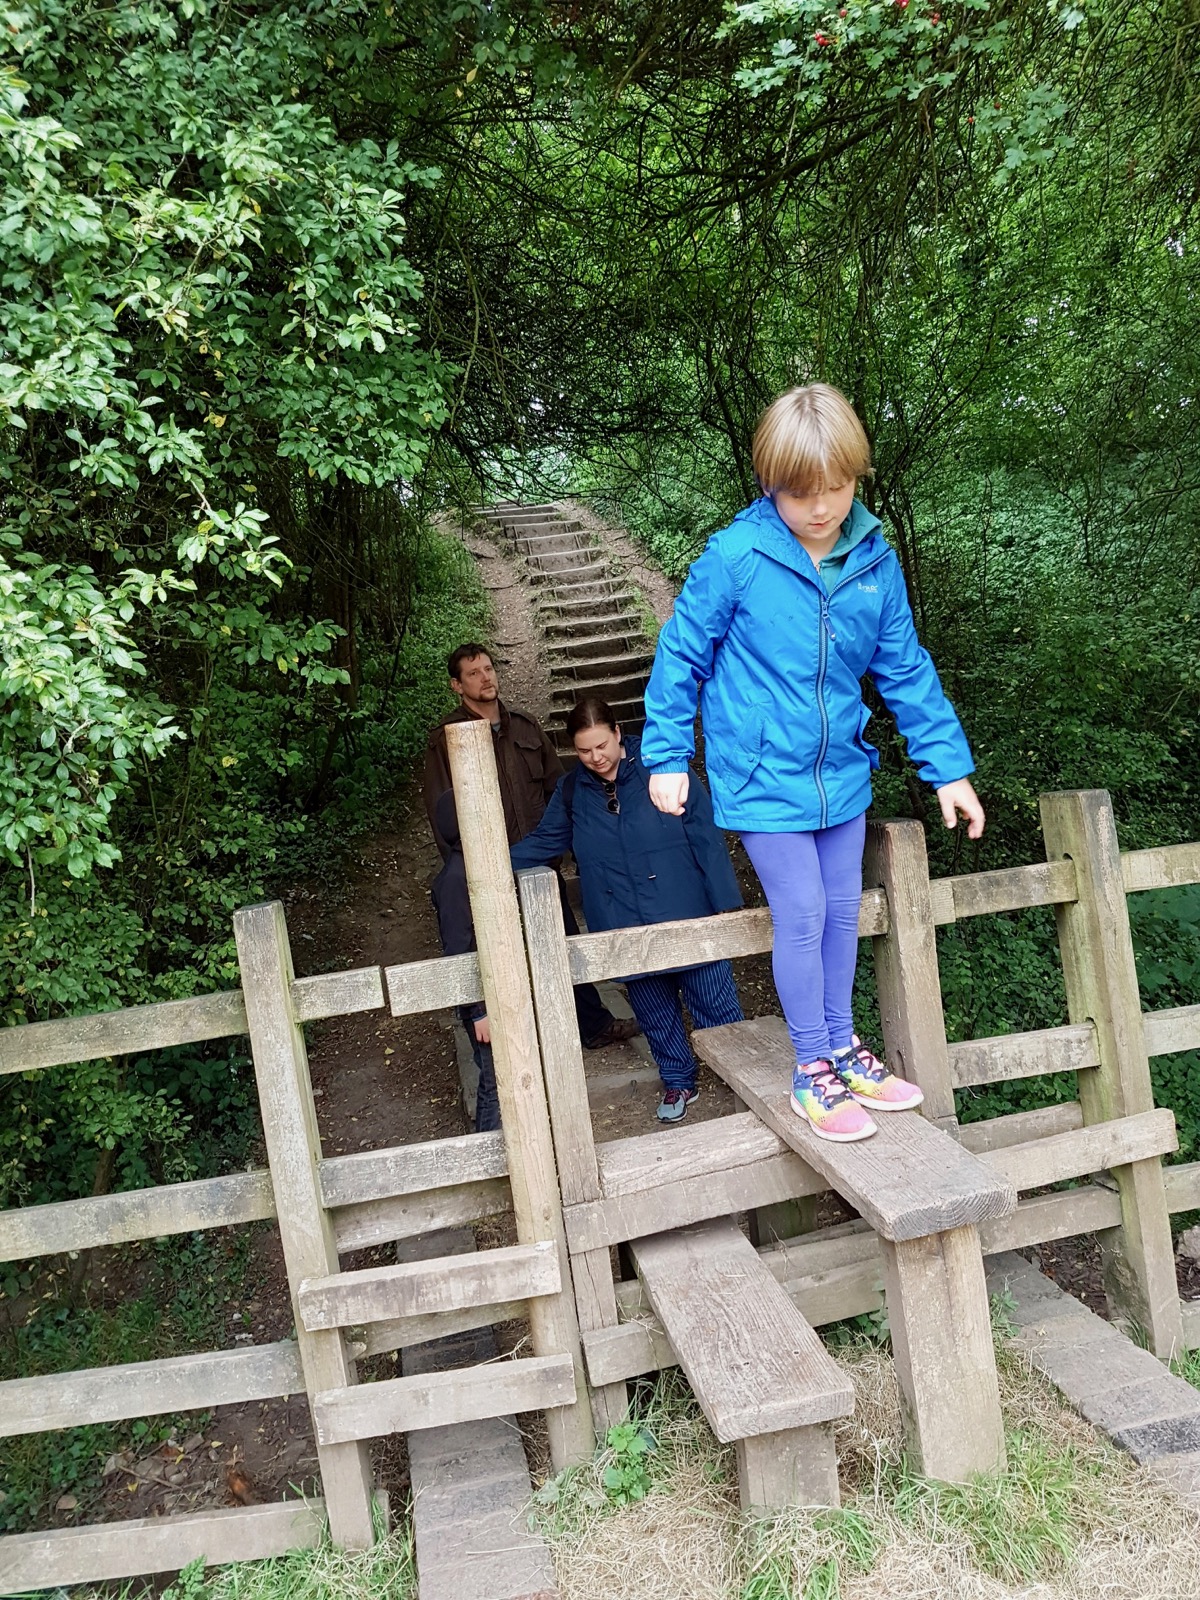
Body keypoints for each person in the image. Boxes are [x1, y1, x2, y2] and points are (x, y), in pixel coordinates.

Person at [640, 383, 985, 1143]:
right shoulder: (736, 556)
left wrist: (948, 769)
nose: (820, 507)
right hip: (761, 774)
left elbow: (905, 668)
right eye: (800, 493)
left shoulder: (874, 560)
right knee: (800, 913)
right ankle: (811, 1068)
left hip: (840, 775)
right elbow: (681, 655)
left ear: (856, 475)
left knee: (840, 913)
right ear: (770, 482)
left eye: (835, 487)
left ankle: (841, 1046)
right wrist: (665, 753)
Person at [511, 695, 744, 1123]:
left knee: (713, 999)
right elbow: (546, 842)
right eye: (584, 750)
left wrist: (725, 903)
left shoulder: (662, 768)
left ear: (618, 733)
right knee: (654, 1009)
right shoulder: (572, 791)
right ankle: (678, 1079)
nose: (595, 757)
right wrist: (490, 864)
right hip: (620, 916)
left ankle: (741, 1075)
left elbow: (705, 834)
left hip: (685, 905)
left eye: (602, 745)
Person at [423, 643, 638, 1052]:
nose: (485, 678)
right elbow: (441, 812)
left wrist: (563, 848)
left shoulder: (524, 726)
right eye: (473, 673)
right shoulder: (446, 739)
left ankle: (593, 1025)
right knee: (497, 951)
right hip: (487, 866)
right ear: (457, 685)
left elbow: (560, 788)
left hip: (539, 858)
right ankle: (511, 1041)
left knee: (561, 942)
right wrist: (466, 870)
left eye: (488, 668)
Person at [430, 790, 501, 1132]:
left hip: (491, 993)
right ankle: (487, 1147)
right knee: (495, 1079)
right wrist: (478, 1011)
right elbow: (458, 952)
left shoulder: (473, 870)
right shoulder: (456, 880)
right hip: (480, 1001)